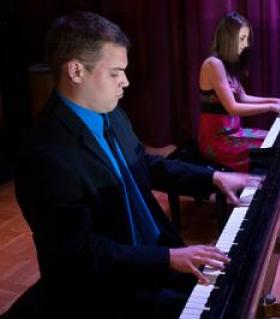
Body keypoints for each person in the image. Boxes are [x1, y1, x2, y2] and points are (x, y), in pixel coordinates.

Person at [13, 11, 259, 319]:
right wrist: (168, 258)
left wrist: (213, 178)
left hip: (150, 257)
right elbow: (81, 255)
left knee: (240, 284)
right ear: (76, 71)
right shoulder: (44, 154)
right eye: (116, 72)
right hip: (107, 289)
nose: (125, 82)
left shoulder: (111, 112)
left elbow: (144, 166)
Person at [198, 11, 280, 172]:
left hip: (234, 133)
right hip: (218, 140)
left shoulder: (226, 64)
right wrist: (271, 107)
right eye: (242, 39)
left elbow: (243, 97)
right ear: (228, 39)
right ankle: (262, 192)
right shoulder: (213, 64)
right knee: (275, 151)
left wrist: (277, 101)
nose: (246, 45)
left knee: (278, 141)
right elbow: (233, 108)